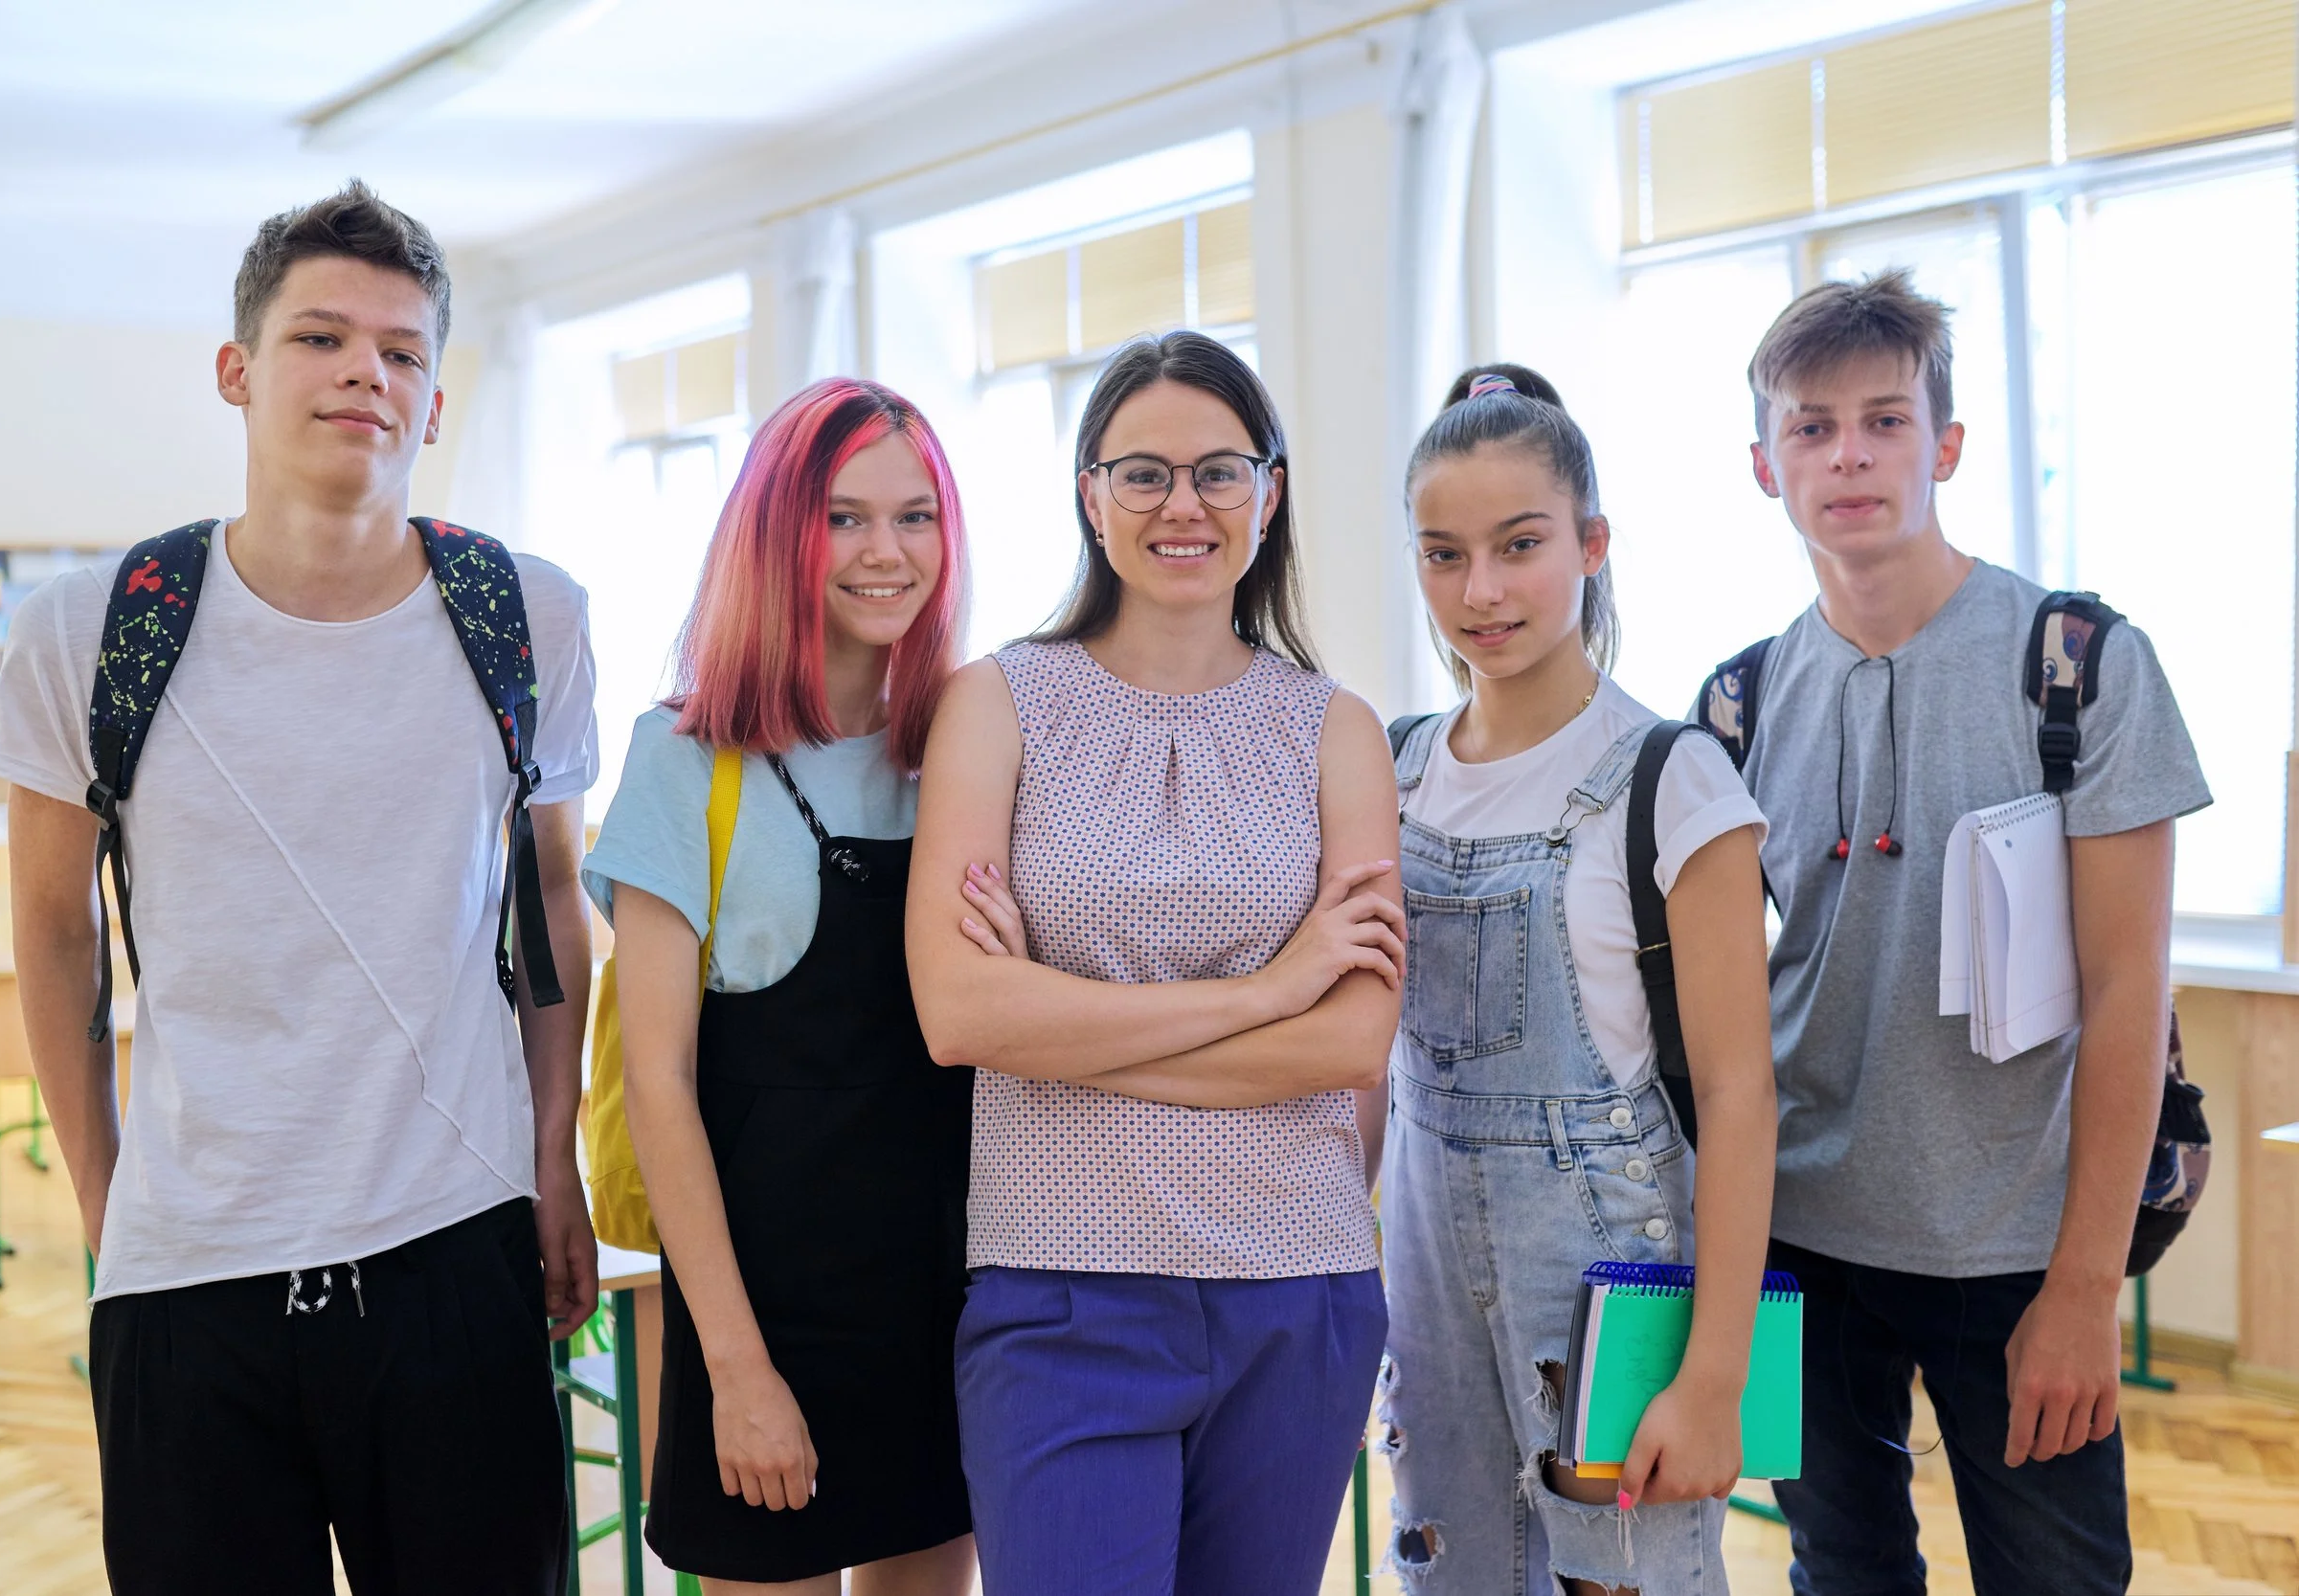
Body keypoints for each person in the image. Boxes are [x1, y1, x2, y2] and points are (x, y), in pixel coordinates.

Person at [0, 182, 597, 1590]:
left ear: (435, 401)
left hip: (458, 1242)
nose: (363, 374)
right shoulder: (91, 628)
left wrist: (551, 1153)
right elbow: (50, 925)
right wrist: (103, 1190)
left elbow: (553, 897)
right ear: (238, 369)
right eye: (320, 337)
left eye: (402, 350)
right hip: (192, 1268)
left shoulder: (529, 615)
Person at [1722, 270, 2209, 1595]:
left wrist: (2081, 1286)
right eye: (1810, 426)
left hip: (2015, 1251)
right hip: (1801, 1239)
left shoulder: (2079, 662)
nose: (1849, 453)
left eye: (1884, 419)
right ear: (1765, 465)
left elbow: (2126, 993)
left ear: (1944, 446)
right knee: (1843, 1570)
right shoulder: (1738, 702)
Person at [907, 330, 1401, 1596]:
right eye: (1143, 473)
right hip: (1060, 1290)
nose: (1183, 504)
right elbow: (960, 1013)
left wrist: (1062, 1028)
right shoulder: (998, 702)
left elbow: (1350, 1042)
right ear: (1090, 493)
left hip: (1300, 1289)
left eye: (1219, 471)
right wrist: (1265, 989)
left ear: (1269, 493)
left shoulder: (1335, 730)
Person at [1376, 365, 1779, 1596]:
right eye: (1443, 555)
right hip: (1426, 1269)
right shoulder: (1390, 769)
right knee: (1450, 1574)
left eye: (1519, 544)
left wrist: (1714, 1374)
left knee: (1622, 1577)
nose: (1481, 590)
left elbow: (1741, 1094)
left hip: (1612, 1273)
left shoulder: (1672, 775)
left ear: (1591, 544)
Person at [583, 377, 977, 1595]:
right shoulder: (686, 757)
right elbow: (661, 1087)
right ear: (778, 532)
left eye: (915, 517)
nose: (885, 552)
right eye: (844, 517)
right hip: (763, 1315)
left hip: (946, 1312)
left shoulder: (967, 742)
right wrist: (740, 1370)